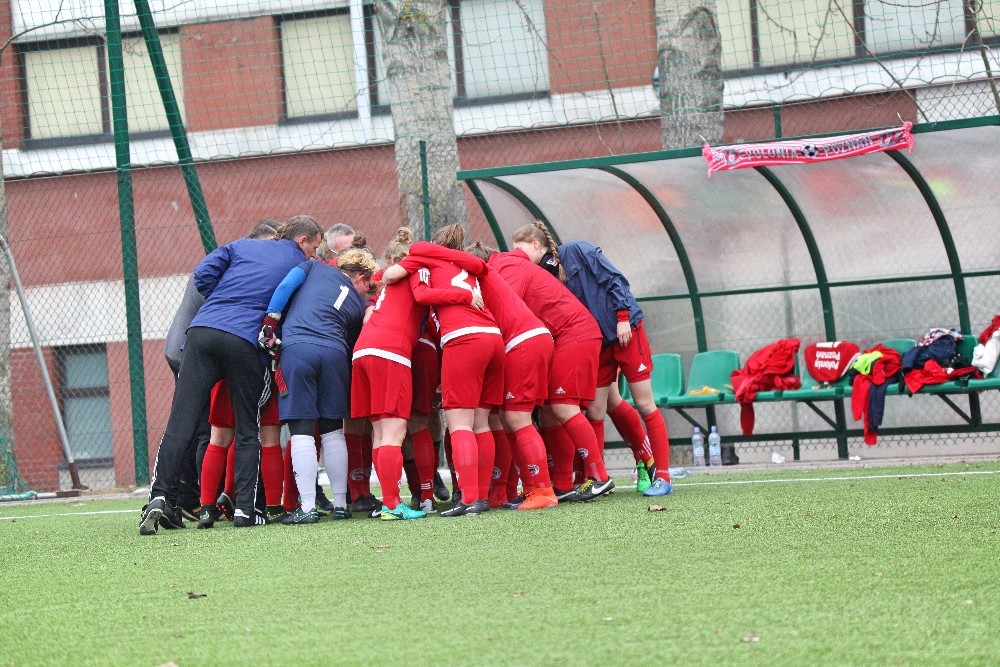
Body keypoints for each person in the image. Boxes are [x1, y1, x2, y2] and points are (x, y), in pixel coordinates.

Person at [139, 215, 324, 534]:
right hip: (244, 339)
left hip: (202, 331)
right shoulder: (300, 264)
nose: (315, 254)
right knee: (248, 427)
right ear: (302, 241)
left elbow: (202, 274)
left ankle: (159, 497)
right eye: (315, 247)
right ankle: (245, 510)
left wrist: (222, 300)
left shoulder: (240, 246)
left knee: (180, 423)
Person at [515, 223, 674, 497]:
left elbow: (614, 278)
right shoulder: (540, 274)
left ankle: (661, 474)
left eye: (520, 248)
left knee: (644, 403)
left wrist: (622, 317)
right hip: (598, 343)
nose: (516, 255)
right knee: (596, 410)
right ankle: (595, 478)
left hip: (626, 332)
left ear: (536, 244)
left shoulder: (575, 250)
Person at [407, 240, 559, 510]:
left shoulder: (479, 274)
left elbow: (424, 290)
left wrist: (426, 257)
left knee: (509, 419)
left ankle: (540, 490)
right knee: (496, 420)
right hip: (516, 340)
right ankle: (506, 491)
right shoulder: (480, 277)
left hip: (518, 340)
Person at [351, 228, 478, 521]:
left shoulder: (388, 280)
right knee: (396, 432)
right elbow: (424, 294)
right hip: (390, 351)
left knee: (380, 433)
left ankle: (390, 503)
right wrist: (465, 295)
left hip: (363, 351)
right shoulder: (418, 268)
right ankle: (395, 505)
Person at [383, 224, 503, 517]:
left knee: (459, 424)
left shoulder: (424, 258)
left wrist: (419, 256)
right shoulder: (467, 264)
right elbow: (481, 269)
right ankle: (482, 496)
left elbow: (398, 280)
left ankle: (469, 498)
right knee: (481, 424)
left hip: (463, 339)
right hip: (492, 336)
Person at [163, 219, 280, 519]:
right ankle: (243, 505)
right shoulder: (239, 271)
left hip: (194, 345)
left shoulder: (229, 262)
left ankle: (200, 503)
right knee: (226, 430)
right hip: (218, 350)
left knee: (208, 430)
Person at [486, 233, 606, 502]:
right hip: (562, 335)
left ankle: (598, 476)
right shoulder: (507, 265)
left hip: (573, 333)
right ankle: (561, 484)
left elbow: (507, 306)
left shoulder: (504, 266)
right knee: (551, 411)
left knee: (563, 406)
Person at [262, 246, 377, 524]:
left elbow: (286, 286)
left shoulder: (313, 267)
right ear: (359, 277)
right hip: (335, 355)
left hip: (299, 349)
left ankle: (308, 507)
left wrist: (269, 323)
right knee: (333, 430)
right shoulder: (358, 303)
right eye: (368, 284)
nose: (368, 291)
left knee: (301, 430)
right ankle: (341, 504)